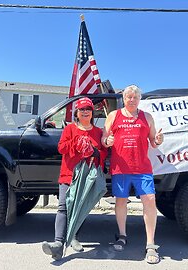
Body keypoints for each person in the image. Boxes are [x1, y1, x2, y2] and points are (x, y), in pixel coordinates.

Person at [101, 84, 164, 264]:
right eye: (128, 97)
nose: (132, 100)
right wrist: (107, 140)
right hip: (120, 168)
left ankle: (150, 244)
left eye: (135, 97)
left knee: (150, 200)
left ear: (139, 99)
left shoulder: (147, 117)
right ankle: (122, 235)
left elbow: (154, 142)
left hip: (142, 168)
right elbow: (104, 140)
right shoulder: (114, 116)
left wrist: (159, 139)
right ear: (124, 98)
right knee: (121, 201)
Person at [42, 97, 107, 261]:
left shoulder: (98, 132)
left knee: (79, 208)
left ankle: (73, 238)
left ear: (93, 112)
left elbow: (103, 153)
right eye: (82, 109)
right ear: (77, 113)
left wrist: (96, 152)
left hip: (87, 178)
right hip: (69, 174)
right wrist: (77, 142)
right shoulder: (70, 129)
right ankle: (58, 243)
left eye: (88, 109)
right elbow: (61, 148)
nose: (85, 111)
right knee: (64, 207)